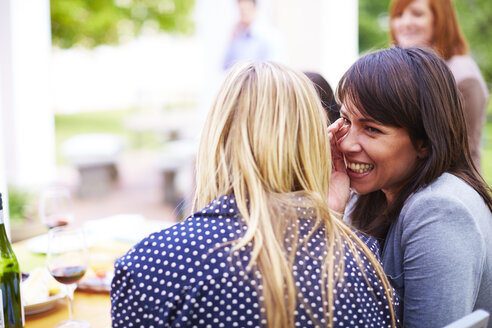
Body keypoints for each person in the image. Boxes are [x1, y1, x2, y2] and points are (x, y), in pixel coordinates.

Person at [111, 61, 399, 327]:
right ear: (312, 142)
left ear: (215, 136)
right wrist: (327, 217)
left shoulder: (153, 265)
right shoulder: (363, 261)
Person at [331, 46, 492, 327]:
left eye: (371, 129)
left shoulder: (439, 210)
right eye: (346, 120)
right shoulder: (374, 194)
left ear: (424, 141)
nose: (345, 143)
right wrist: (331, 210)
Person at [388, 0, 489, 171]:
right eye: (399, 15)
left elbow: (460, 154)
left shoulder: (463, 76)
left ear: (440, 19)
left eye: (417, 14)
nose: (405, 23)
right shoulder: (396, 72)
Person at [223, 0, 286, 70]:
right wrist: (231, 39)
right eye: (241, 11)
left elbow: (274, 70)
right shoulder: (238, 36)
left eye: (246, 9)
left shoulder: (270, 36)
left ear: (255, 9)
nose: (244, 13)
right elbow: (224, 66)